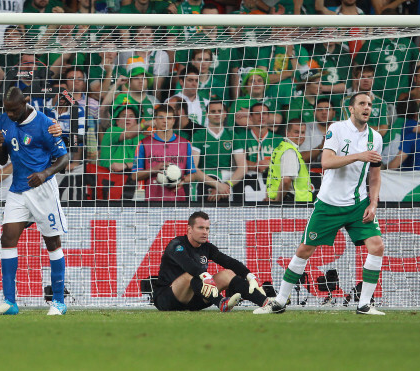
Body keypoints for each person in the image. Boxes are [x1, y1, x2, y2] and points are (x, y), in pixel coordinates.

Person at [255, 92, 386, 315]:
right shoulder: (337, 129)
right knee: (305, 250)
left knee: (377, 246)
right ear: (351, 109)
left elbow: (374, 177)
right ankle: (279, 301)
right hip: (329, 204)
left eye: (370, 104)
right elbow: (326, 161)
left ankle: (364, 304)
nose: (367, 108)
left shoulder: (376, 139)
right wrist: (358, 156)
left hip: (358, 204)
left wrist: (373, 204)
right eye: (362, 103)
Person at [0, 87, 69, 316]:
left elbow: (64, 157)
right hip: (17, 190)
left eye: (14, 110)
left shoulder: (45, 124)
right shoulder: (3, 119)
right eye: (7, 111)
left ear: (25, 102)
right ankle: (10, 302)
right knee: (7, 238)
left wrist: (45, 173)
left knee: (52, 243)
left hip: (42, 190)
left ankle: (59, 302)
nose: (10, 115)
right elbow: (2, 158)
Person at [153, 211, 269, 312]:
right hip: (167, 299)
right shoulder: (176, 245)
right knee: (190, 275)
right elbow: (187, 264)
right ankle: (221, 303)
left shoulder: (207, 247)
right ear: (189, 229)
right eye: (200, 228)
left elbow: (228, 261)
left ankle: (266, 302)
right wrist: (205, 275)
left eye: (207, 228)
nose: (205, 232)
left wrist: (249, 275)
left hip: (194, 300)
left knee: (228, 273)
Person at [132, 105, 229, 202]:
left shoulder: (185, 144)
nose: (165, 121)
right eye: (161, 117)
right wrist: (153, 169)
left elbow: (193, 174)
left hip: (178, 200)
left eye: (169, 118)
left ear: (174, 121)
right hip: (152, 200)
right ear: (155, 120)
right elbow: (134, 175)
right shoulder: (144, 144)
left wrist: (182, 181)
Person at [265, 120, 313, 202]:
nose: (300, 136)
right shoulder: (290, 152)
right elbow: (286, 181)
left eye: (302, 132)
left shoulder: (281, 148)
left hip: (285, 199)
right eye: (296, 132)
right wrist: (278, 202)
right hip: (292, 201)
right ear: (287, 133)